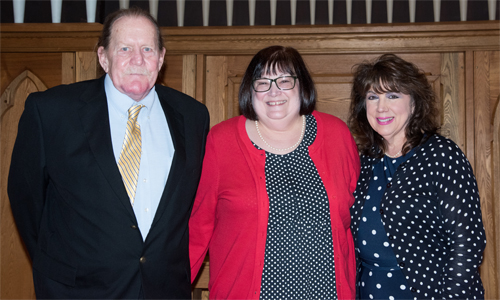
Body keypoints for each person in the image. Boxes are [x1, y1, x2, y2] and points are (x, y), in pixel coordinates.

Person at [8, 7, 209, 299]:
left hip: (163, 289)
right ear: (103, 57)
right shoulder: (52, 111)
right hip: (77, 290)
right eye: (125, 48)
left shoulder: (192, 116)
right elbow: (27, 200)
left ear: (161, 58)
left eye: (147, 49)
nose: (137, 59)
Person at [189, 45, 360, 299]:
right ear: (250, 89)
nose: (274, 91)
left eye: (284, 80)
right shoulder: (221, 141)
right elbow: (197, 227)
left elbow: (355, 218)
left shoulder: (337, 134)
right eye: (263, 82)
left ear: (301, 86)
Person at [348, 53, 486, 299]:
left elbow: (467, 242)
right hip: (369, 291)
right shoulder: (365, 162)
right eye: (372, 97)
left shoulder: (441, 155)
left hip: (429, 292)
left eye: (393, 95)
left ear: (414, 103)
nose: (381, 107)